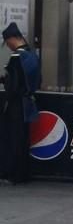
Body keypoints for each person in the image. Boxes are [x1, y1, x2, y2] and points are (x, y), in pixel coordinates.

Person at [0, 23, 40, 184]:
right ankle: (22, 174)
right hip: (28, 105)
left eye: (7, 42)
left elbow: (14, 85)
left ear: (12, 39)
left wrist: (6, 84)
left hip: (16, 105)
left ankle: (12, 174)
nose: (7, 46)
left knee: (12, 139)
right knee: (23, 140)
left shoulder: (17, 57)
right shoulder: (32, 55)